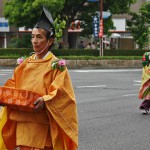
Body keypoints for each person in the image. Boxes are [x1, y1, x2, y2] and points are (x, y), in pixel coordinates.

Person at [0, 7, 78, 150]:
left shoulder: (56, 66)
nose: (34, 41)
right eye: (32, 37)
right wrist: (5, 96)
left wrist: (45, 100)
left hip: (43, 126)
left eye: (39, 37)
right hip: (23, 125)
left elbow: (63, 94)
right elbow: (13, 85)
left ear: (50, 41)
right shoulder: (24, 64)